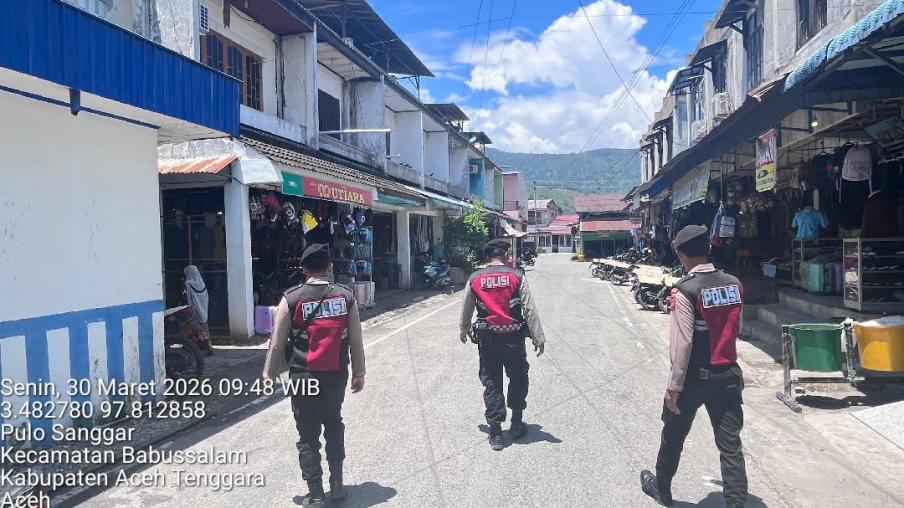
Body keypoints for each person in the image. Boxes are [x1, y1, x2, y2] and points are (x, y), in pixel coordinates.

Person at [641, 225, 747, 507]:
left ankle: (662, 489)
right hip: (728, 374)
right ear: (708, 248)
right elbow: (736, 328)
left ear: (680, 253)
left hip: (694, 379)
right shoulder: (734, 284)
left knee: (673, 434)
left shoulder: (685, 289)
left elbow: (682, 343)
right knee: (730, 447)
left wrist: (674, 387)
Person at [263, 244, 366, 508]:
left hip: (302, 377)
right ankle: (338, 485)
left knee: (307, 435)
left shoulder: (291, 298)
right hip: (336, 375)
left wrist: (269, 374)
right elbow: (356, 338)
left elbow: (276, 342)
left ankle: (316, 494)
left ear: (304, 269)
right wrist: (359, 372)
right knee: (333, 423)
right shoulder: (345, 296)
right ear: (330, 267)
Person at [459, 238, 546, 451]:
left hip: (487, 339)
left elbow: (467, 307)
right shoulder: (517, 275)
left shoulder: (475, 278)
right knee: (518, 376)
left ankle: (496, 432)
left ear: (488, 257)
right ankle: (516, 423)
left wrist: (463, 328)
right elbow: (529, 308)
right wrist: (538, 336)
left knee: (491, 381)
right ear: (505, 256)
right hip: (514, 339)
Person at [183, 265, 212, 355]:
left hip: (193, 309)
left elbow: (188, 297)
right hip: (203, 308)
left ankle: (192, 346)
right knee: (204, 326)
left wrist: (189, 307)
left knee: (189, 326)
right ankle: (208, 345)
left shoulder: (188, 283)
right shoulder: (202, 284)